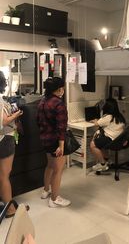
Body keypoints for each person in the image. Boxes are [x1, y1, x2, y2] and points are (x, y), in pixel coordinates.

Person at [37, 77, 71, 208]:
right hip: (56, 141)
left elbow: (38, 122)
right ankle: (55, 199)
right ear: (60, 89)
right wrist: (61, 146)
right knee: (58, 170)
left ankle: (46, 191)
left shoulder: (42, 102)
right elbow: (61, 127)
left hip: (45, 139)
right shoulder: (59, 104)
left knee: (50, 166)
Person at [0, 71, 24, 218]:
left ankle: (4, 202)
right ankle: (10, 210)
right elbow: (3, 122)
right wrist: (16, 115)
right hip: (5, 140)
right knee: (4, 176)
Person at [90, 98, 126, 172]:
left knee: (92, 145)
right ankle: (107, 161)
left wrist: (96, 120)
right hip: (120, 140)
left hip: (111, 140)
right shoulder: (119, 116)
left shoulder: (108, 117)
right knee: (101, 142)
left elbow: (97, 124)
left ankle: (102, 164)